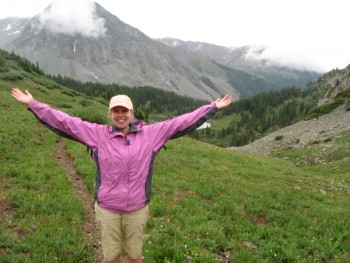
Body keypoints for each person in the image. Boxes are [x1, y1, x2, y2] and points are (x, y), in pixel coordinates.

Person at [11, 88, 233, 263]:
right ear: (110, 114)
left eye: (124, 111)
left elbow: (181, 122)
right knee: (110, 256)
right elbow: (65, 122)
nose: (120, 115)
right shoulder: (98, 135)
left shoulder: (151, 134)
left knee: (135, 255)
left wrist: (212, 108)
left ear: (131, 113)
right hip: (107, 208)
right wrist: (33, 104)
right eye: (116, 111)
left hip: (137, 208)